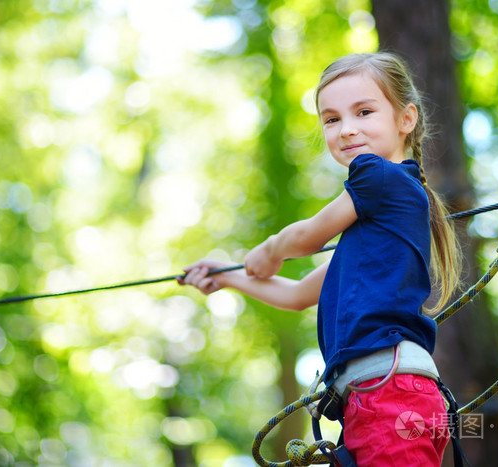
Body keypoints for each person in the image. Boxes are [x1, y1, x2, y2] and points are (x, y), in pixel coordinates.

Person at [178, 52, 462, 466]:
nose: (346, 130)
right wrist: (227, 276)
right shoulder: (375, 235)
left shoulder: (378, 176)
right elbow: (297, 294)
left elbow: (308, 237)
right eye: (331, 119)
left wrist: (269, 249)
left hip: (389, 395)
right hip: (377, 398)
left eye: (364, 111)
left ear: (406, 119)